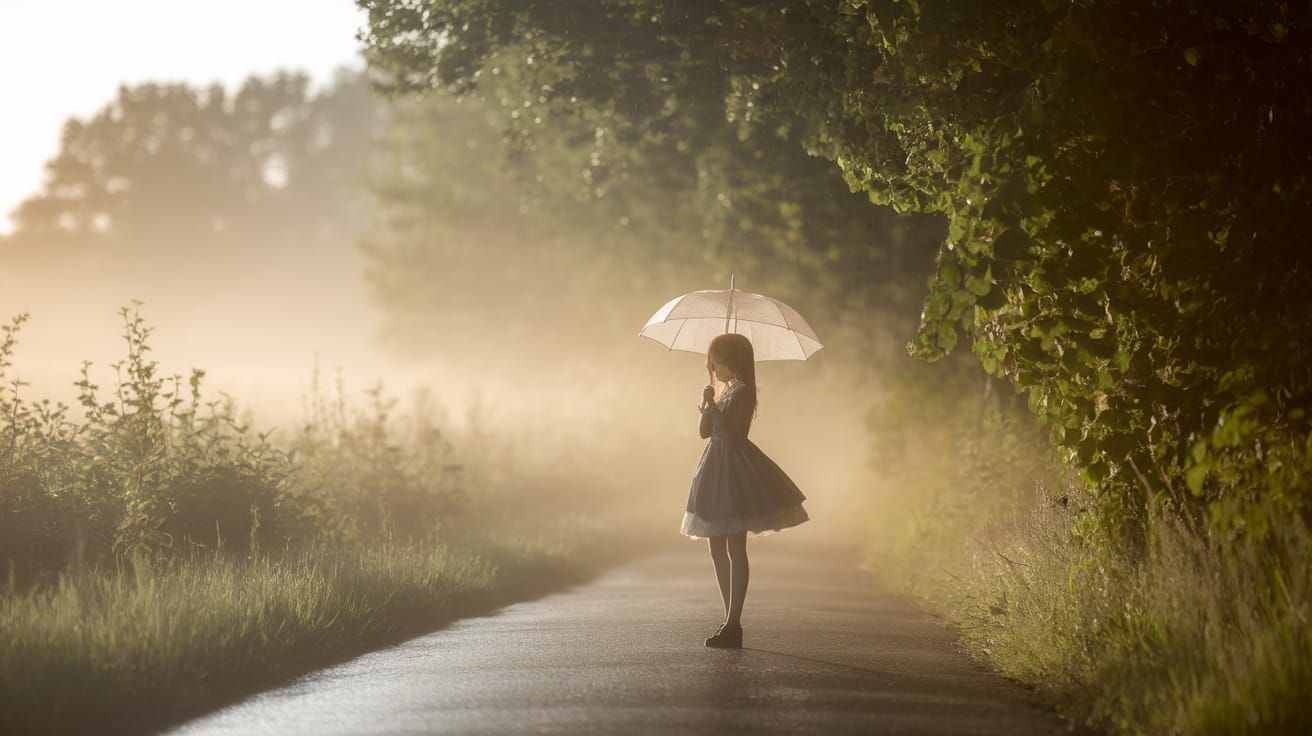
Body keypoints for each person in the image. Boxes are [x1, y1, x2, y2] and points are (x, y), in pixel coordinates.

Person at [681, 332, 810, 648]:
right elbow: (704, 433)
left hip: (734, 469)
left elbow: (733, 434)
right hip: (713, 466)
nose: (714, 367)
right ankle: (728, 617)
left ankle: (733, 621)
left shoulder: (743, 393)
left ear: (732, 361)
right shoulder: (724, 391)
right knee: (715, 547)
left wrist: (714, 405)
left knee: (735, 546)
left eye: (718, 362)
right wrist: (706, 403)